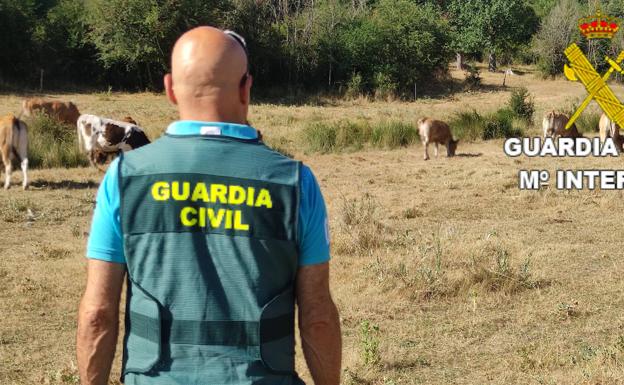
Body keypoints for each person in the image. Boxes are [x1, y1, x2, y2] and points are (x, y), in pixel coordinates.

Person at [76, 26, 341, 385]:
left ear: (169, 88)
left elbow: (97, 314)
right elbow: (317, 316)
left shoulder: (124, 177)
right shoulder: (296, 183)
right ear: (247, 88)